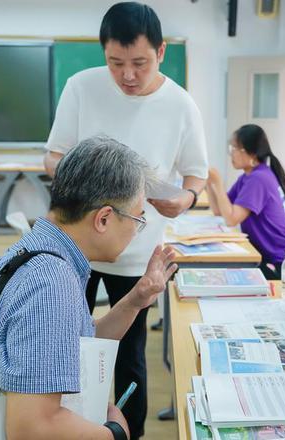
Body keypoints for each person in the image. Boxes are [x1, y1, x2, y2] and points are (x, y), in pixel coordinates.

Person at [42, 3, 208, 435]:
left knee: (128, 355)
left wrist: (186, 198)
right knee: (66, 345)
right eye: (115, 63)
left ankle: (127, 432)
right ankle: (71, 426)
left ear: (161, 52)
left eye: (139, 63)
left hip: (135, 253)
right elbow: (53, 156)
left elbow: (197, 173)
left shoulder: (180, 105)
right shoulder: (81, 87)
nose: (127, 75)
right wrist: (92, 184)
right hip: (75, 248)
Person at [0, 136, 177, 439]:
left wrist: (136, 299)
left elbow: (76, 342)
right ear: (104, 218)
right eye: (138, 218)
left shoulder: (39, 248)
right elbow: (32, 428)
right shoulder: (51, 284)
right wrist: (115, 433)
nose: (137, 230)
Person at [205, 124, 285, 281]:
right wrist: (208, 183)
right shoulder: (248, 177)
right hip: (267, 256)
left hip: (283, 265)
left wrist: (218, 183)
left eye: (235, 149)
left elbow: (231, 219)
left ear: (251, 153)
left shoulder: (259, 179)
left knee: (226, 276)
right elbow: (219, 211)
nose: (231, 154)